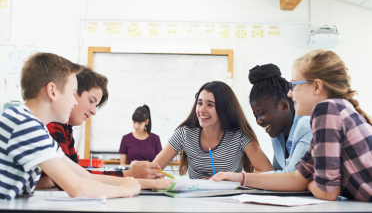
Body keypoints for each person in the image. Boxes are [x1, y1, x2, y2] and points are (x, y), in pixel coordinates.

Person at [0, 53, 168, 200]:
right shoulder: (26, 125)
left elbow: (85, 177)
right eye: (73, 93)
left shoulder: (36, 128)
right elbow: (78, 187)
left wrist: (148, 184)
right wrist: (124, 190)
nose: (74, 102)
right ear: (52, 91)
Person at [211, 50, 372, 202]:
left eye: (294, 85)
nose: (289, 94)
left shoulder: (326, 110)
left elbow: (327, 192)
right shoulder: (334, 110)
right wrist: (239, 177)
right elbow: (297, 177)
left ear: (317, 86)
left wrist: (309, 185)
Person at [36, 66, 166, 190]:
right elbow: (71, 179)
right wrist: (132, 178)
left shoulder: (66, 128)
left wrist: (131, 176)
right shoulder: (52, 123)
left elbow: (78, 174)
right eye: (91, 101)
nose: (94, 112)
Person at [153, 81, 273, 179]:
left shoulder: (239, 136)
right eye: (199, 103)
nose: (202, 110)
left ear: (224, 109)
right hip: (195, 202)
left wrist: (230, 178)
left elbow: (268, 172)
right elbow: (153, 170)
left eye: (210, 105)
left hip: (230, 203)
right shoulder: (184, 134)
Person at [248, 63, 312, 173]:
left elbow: (290, 176)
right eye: (256, 116)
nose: (258, 121)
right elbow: (277, 172)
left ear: (284, 107)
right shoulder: (277, 135)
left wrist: (243, 178)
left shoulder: (306, 126)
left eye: (262, 113)